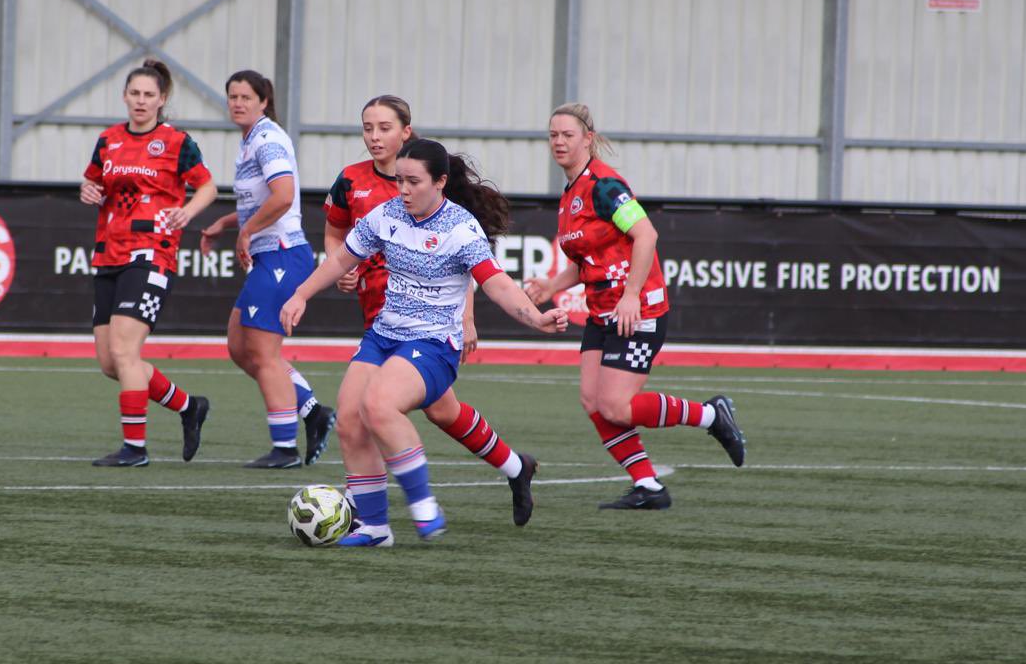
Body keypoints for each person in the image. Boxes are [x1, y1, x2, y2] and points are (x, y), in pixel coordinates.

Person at [281, 139, 569, 547]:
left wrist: (536, 318)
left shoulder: (460, 228)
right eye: (398, 180)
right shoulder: (387, 215)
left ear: (440, 182)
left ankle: (423, 504)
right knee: (349, 418)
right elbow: (343, 259)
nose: (403, 190)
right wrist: (301, 294)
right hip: (384, 335)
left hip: (433, 343)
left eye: (413, 181)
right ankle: (376, 528)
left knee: (379, 404)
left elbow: (497, 284)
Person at [323, 95, 541, 525]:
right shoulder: (350, 180)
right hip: (382, 316)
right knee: (439, 411)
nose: (374, 136)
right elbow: (335, 238)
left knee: (381, 407)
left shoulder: (422, 182)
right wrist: (341, 270)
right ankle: (516, 468)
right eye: (367, 127)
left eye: (384, 128)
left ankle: (371, 504)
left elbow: (463, 264)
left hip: (429, 323)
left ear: (406, 132)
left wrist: (467, 317)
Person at [524, 103, 747, 510]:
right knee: (593, 402)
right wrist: (552, 285)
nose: (558, 141)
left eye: (567, 135)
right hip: (602, 310)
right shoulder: (571, 192)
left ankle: (712, 416)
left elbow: (646, 235)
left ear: (587, 139)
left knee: (616, 405)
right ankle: (649, 486)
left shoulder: (606, 186)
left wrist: (630, 296)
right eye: (553, 135)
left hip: (637, 308)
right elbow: (587, 259)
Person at [81, 59, 218, 467]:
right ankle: (189, 406)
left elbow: (207, 186)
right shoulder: (108, 140)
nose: (141, 101)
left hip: (150, 252)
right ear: (125, 96)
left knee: (125, 351)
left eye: (149, 95)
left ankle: (135, 449)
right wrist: (88, 190)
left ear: (162, 100)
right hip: (108, 252)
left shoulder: (176, 141)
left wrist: (189, 211)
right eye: (135, 93)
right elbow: (93, 181)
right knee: (112, 363)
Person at [198, 71, 335, 469]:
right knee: (240, 347)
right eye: (232, 96)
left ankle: (285, 449)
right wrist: (226, 226)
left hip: (281, 254)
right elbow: (259, 205)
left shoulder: (268, 138)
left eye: (246, 96)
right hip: (269, 254)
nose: (238, 102)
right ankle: (313, 411)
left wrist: (247, 233)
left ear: (263, 101)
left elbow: (284, 196)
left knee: (262, 352)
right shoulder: (250, 140)